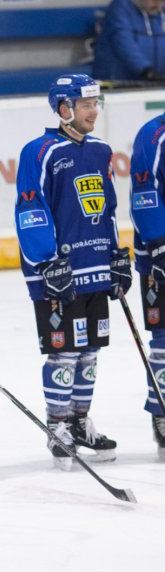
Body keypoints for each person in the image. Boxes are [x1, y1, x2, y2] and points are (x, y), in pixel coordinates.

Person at [14, 74, 126, 468]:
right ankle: (57, 425)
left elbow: (107, 206)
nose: (94, 111)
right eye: (86, 105)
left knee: (90, 351)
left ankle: (79, 422)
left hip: (95, 266)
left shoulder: (100, 150)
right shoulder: (39, 151)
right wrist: (46, 261)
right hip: (58, 272)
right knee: (64, 352)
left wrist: (115, 255)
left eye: (96, 104)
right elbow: (30, 208)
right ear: (64, 109)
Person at [127, 107, 165, 457]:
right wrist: (159, 243)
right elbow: (143, 193)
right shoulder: (153, 135)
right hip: (160, 256)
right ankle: (162, 413)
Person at [93, 0, 165, 83]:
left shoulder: (160, 10)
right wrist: (147, 71)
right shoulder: (120, 8)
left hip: (152, 81)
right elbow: (125, 45)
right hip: (118, 82)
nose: (158, 6)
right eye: (154, 0)